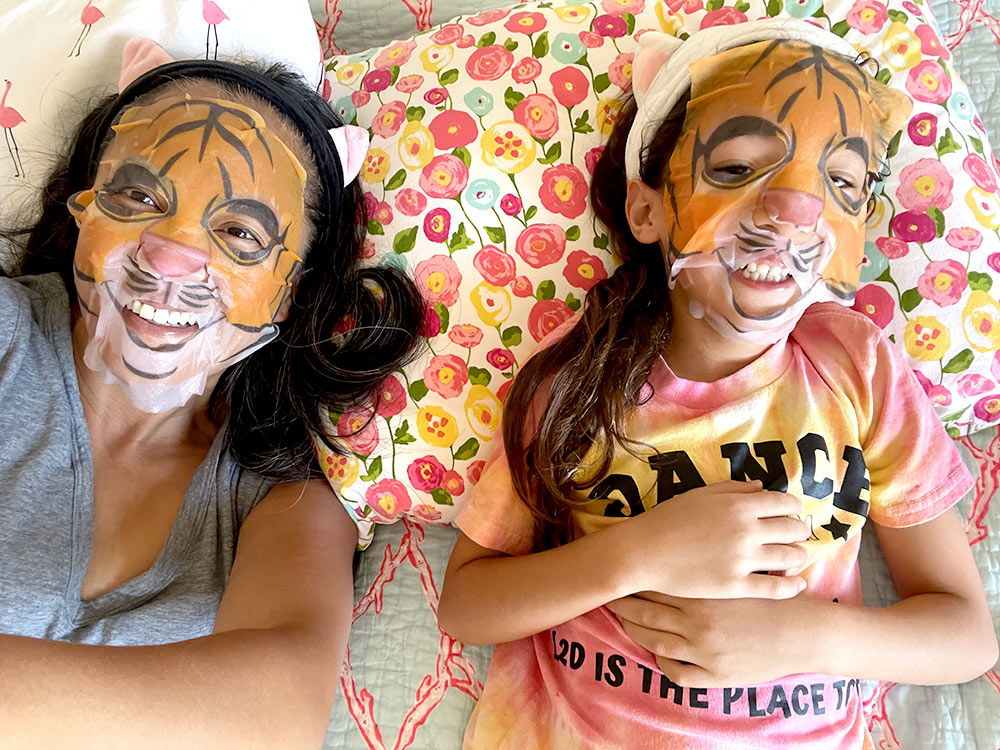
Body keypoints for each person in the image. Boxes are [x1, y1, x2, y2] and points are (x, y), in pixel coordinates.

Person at [437, 20, 999, 750]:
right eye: (736, 169)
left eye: (841, 184)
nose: (795, 213)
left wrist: (802, 638)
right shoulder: (579, 378)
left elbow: (965, 635)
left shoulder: (857, 366)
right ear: (647, 209)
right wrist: (638, 554)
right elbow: (468, 604)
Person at [0, 38, 424, 747]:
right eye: (139, 196)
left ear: (295, 290)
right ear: (83, 210)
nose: (171, 256)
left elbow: (274, 718)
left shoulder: (285, 489)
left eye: (240, 233)